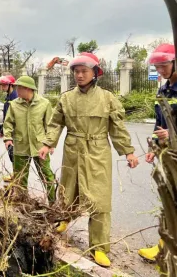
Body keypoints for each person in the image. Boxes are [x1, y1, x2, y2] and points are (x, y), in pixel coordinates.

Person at [38, 54, 139, 267]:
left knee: (100, 199)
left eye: (84, 71)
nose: (79, 75)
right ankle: (64, 218)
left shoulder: (107, 98)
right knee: (68, 189)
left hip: (98, 150)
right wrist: (48, 144)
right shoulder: (66, 98)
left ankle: (99, 248)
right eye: (76, 71)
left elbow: (118, 127)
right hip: (73, 149)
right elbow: (56, 123)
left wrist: (128, 151)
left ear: (95, 73)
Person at [138, 43, 177, 261]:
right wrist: (153, 146)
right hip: (165, 153)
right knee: (168, 199)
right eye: (158, 67)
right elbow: (158, 122)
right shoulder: (163, 90)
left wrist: (171, 136)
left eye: (164, 66)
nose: (160, 71)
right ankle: (164, 247)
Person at [3, 76, 56, 203]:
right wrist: (7, 138)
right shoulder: (14, 104)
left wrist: (50, 144)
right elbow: (8, 123)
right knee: (20, 178)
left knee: (46, 175)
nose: (17, 90)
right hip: (20, 145)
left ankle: (53, 202)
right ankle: (22, 204)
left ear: (28, 89)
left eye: (19, 88)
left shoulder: (44, 104)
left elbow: (49, 125)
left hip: (40, 146)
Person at [0, 75, 17, 162]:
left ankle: (17, 174)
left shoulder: (15, 98)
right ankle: (15, 173)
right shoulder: (8, 97)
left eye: (4, 85)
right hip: (8, 130)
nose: (2, 87)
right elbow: (6, 117)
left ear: (11, 85)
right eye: (2, 85)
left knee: (14, 154)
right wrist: (3, 130)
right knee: (11, 153)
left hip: (14, 131)